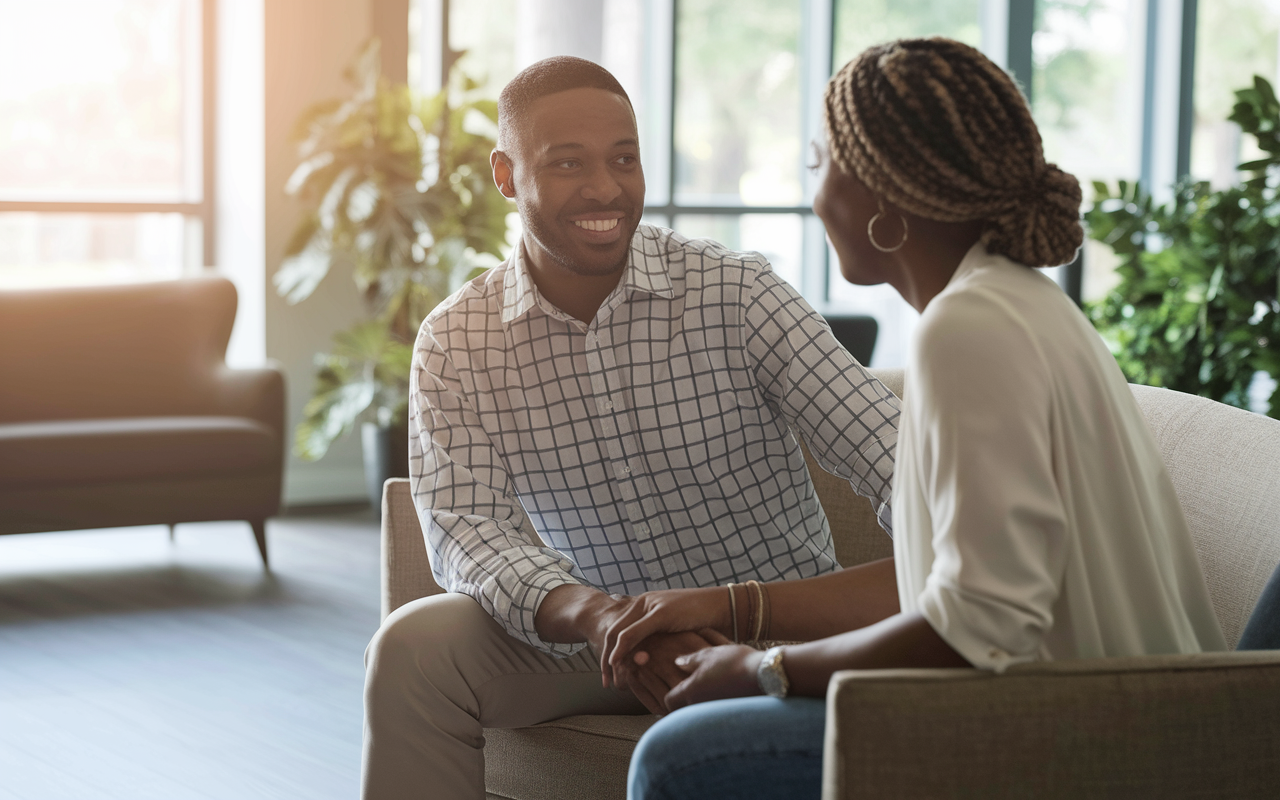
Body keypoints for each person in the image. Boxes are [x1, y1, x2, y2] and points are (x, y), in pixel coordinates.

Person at [623, 37, 1228, 800]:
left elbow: (981, 621)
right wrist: (738, 609)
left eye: (821, 161)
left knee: (678, 758)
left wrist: (761, 670)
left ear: (883, 193)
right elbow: (955, 581)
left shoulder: (967, 330)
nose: (814, 195)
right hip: (1109, 712)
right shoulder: (1020, 302)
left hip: (1071, 738)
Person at [360, 56, 902, 800]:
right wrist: (601, 616)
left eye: (624, 158)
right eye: (568, 163)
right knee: (413, 652)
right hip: (592, 641)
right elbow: (468, 531)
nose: (606, 188)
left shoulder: (737, 294)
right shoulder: (458, 341)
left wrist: (920, 585)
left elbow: (900, 459)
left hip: (770, 635)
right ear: (507, 176)